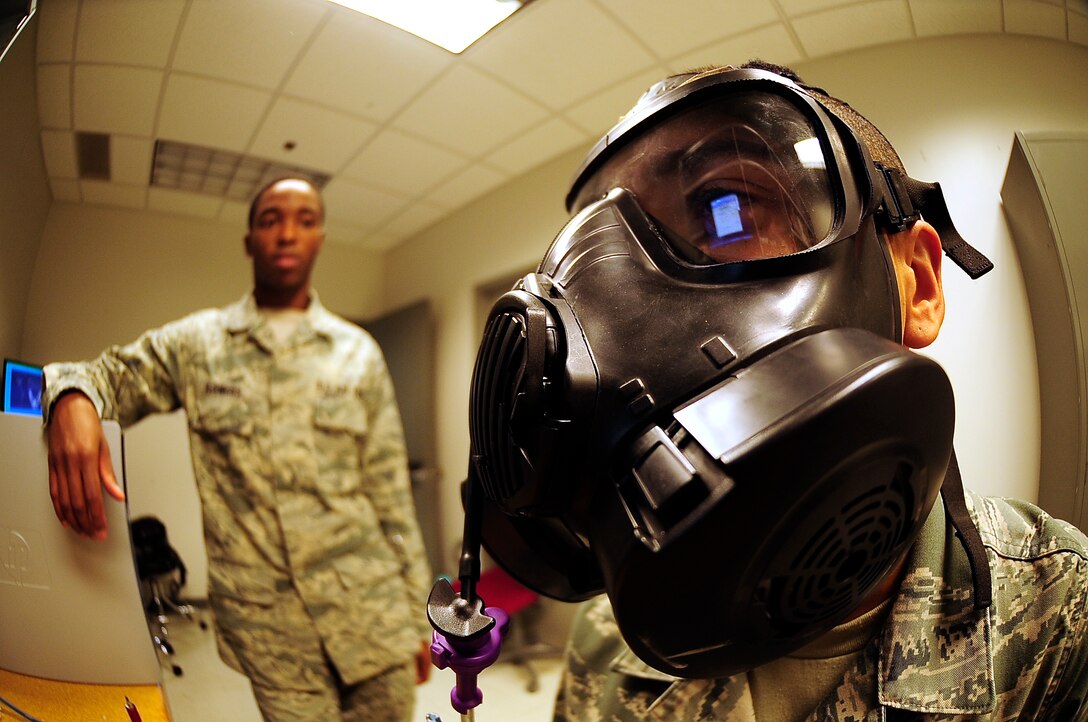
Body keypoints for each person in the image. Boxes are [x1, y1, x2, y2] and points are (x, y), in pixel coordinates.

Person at [448, 62, 1088, 721]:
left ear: (917, 285)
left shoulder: (1060, 613)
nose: (623, 313)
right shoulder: (605, 638)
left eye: (727, 209)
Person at [43, 177, 433, 722]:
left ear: (321, 237)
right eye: (271, 219)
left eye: (304, 219)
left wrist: (417, 616)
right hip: (270, 629)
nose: (287, 234)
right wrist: (71, 398)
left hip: (372, 610)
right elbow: (108, 376)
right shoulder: (199, 344)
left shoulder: (358, 354)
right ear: (249, 240)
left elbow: (391, 496)